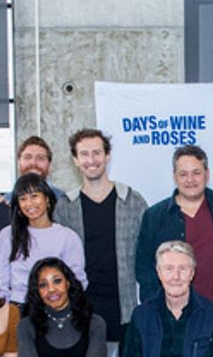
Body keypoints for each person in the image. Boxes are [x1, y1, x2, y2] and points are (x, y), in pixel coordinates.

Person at [54, 127, 149, 344]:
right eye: (84, 154)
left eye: (97, 153)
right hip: (80, 310)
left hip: (125, 309)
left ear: (107, 156)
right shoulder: (65, 207)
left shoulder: (133, 201)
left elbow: (148, 257)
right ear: (75, 160)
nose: (91, 160)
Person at [135, 144, 213, 307]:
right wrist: (159, 310)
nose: (190, 180)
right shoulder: (154, 216)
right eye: (183, 174)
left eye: (196, 173)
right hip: (175, 315)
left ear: (207, 174)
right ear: (175, 177)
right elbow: (144, 270)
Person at [0, 172, 87, 305]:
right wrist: (6, 308)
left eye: (34, 196)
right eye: (23, 199)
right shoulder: (7, 235)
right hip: (17, 305)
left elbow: (77, 280)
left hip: (55, 307)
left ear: (47, 199)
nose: (29, 203)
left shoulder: (68, 237)